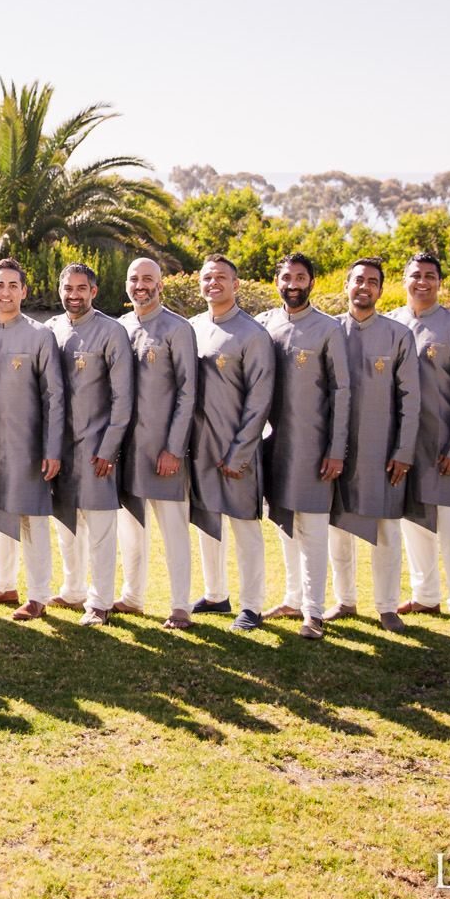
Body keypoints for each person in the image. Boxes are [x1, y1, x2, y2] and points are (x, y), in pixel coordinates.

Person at [389, 251, 450, 634]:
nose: (422, 282)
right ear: (404, 280)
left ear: (440, 282)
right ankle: (425, 595)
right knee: (413, 520)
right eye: (416, 275)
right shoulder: (391, 323)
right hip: (400, 444)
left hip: (444, 443)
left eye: (430, 276)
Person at [257, 253, 351, 640]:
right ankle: (293, 598)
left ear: (312, 282)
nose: (292, 284)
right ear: (276, 281)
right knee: (284, 525)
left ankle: (313, 612)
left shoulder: (329, 329)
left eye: (300, 278)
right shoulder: (264, 324)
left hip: (314, 445)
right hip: (273, 444)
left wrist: (336, 448)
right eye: (286, 277)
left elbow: (341, 391)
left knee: (313, 528)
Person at [326, 257, 420, 632]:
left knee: (386, 532)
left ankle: (386, 607)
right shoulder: (329, 330)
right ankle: (344, 600)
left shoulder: (399, 335)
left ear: (381, 289)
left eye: (373, 282)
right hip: (335, 450)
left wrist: (404, 450)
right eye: (358, 280)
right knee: (337, 528)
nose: (364, 287)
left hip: (383, 450)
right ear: (346, 286)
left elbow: (411, 398)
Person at [0, 257, 66, 620]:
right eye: (0, 285)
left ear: (24, 291)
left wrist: (52, 448)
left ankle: (39, 594)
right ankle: (3, 585)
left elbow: (54, 397)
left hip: (29, 446)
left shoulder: (40, 335)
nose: (6, 292)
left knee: (33, 519)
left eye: (13, 285)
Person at [188, 254, 275, 628]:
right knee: (207, 522)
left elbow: (259, 400)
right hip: (200, 445)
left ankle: (252, 606)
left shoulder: (252, 333)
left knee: (245, 526)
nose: (213, 284)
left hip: (238, 449)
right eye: (207, 278)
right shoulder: (191, 327)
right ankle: (216, 595)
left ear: (236, 285)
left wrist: (240, 452)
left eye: (221, 278)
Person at [49, 262, 135, 625]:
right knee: (66, 525)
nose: (73, 294)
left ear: (93, 292)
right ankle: (73, 591)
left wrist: (109, 446)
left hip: (97, 447)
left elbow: (123, 397)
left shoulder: (111, 332)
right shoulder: (50, 329)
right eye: (67, 288)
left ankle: (99, 602)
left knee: (100, 529)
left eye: (81, 288)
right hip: (59, 448)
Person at [116, 257, 198, 629]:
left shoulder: (177, 329)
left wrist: (174, 448)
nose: (140, 285)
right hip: (126, 450)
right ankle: (132, 596)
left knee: (173, 529)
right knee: (130, 527)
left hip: (163, 450)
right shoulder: (119, 327)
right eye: (135, 279)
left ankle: (180, 605)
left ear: (160, 285)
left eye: (148, 279)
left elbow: (187, 393)